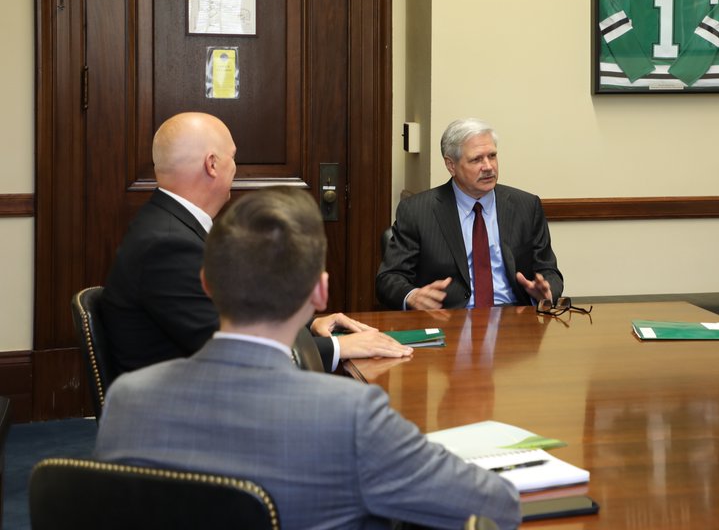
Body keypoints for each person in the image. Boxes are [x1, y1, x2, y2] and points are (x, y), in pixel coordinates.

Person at [94, 187, 521, 530]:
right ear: (320, 292)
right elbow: (494, 506)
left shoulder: (127, 398)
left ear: (206, 283)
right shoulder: (351, 414)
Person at [101, 112, 409, 375]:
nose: (236, 169)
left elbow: (238, 321)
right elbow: (235, 350)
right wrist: (339, 346)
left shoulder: (168, 226)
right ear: (212, 165)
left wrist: (306, 326)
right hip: (188, 420)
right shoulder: (167, 245)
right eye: (233, 158)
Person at [376, 118, 564, 310]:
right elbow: (389, 278)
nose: (488, 166)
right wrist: (412, 296)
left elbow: (549, 270)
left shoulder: (526, 206)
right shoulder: (417, 211)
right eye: (476, 159)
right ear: (451, 166)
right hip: (447, 318)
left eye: (492, 156)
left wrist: (547, 291)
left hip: (515, 316)